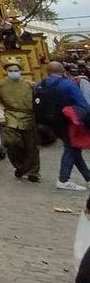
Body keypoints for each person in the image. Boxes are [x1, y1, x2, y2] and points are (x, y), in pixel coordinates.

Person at [36, 61, 90, 191]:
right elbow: (83, 105)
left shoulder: (40, 85)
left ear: (47, 72)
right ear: (63, 72)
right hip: (67, 121)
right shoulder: (67, 85)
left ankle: (88, 177)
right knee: (72, 149)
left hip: (49, 123)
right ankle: (63, 179)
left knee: (73, 148)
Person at [0, 60, 40, 182]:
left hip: (28, 116)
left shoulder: (31, 85)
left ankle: (33, 172)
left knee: (31, 146)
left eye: (16, 70)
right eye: (11, 71)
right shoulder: (0, 85)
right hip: (10, 116)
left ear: (20, 71)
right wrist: (1, 116)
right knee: (12, 143)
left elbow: (38, 101)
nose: (13, 72)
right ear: (6, 72)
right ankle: (20, 167)